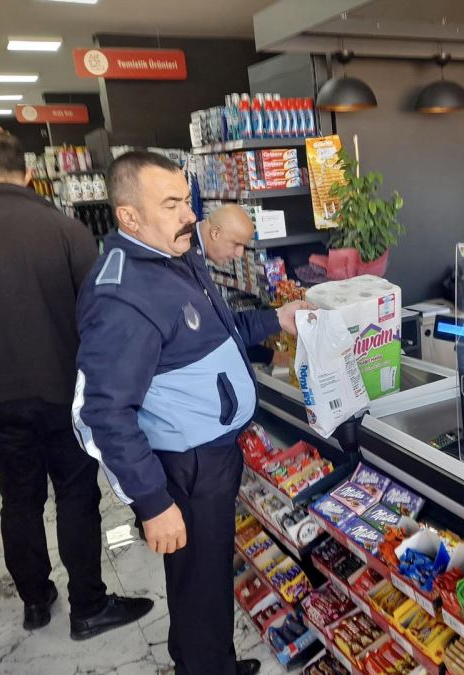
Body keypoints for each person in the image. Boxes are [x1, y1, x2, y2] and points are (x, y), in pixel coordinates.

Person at [73, 151, 312, 675]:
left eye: (187, 200)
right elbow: (105, 413)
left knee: (201, 581)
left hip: (210, 455)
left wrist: (277, 318)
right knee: (199, 581)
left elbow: (220, 332)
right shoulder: (122, 295)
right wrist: (154, 503)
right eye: (171, 204)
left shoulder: (172, 254)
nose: (188, 215)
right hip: (187, 466)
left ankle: (209, 662)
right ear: (128, 216)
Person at [0, 132, 152, 638]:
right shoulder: (65, 228)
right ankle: (88, 606)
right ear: (28, 170)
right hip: (63, 389)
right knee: (76, 497)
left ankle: (36, 602)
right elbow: (100, 315)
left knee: (19, 499)